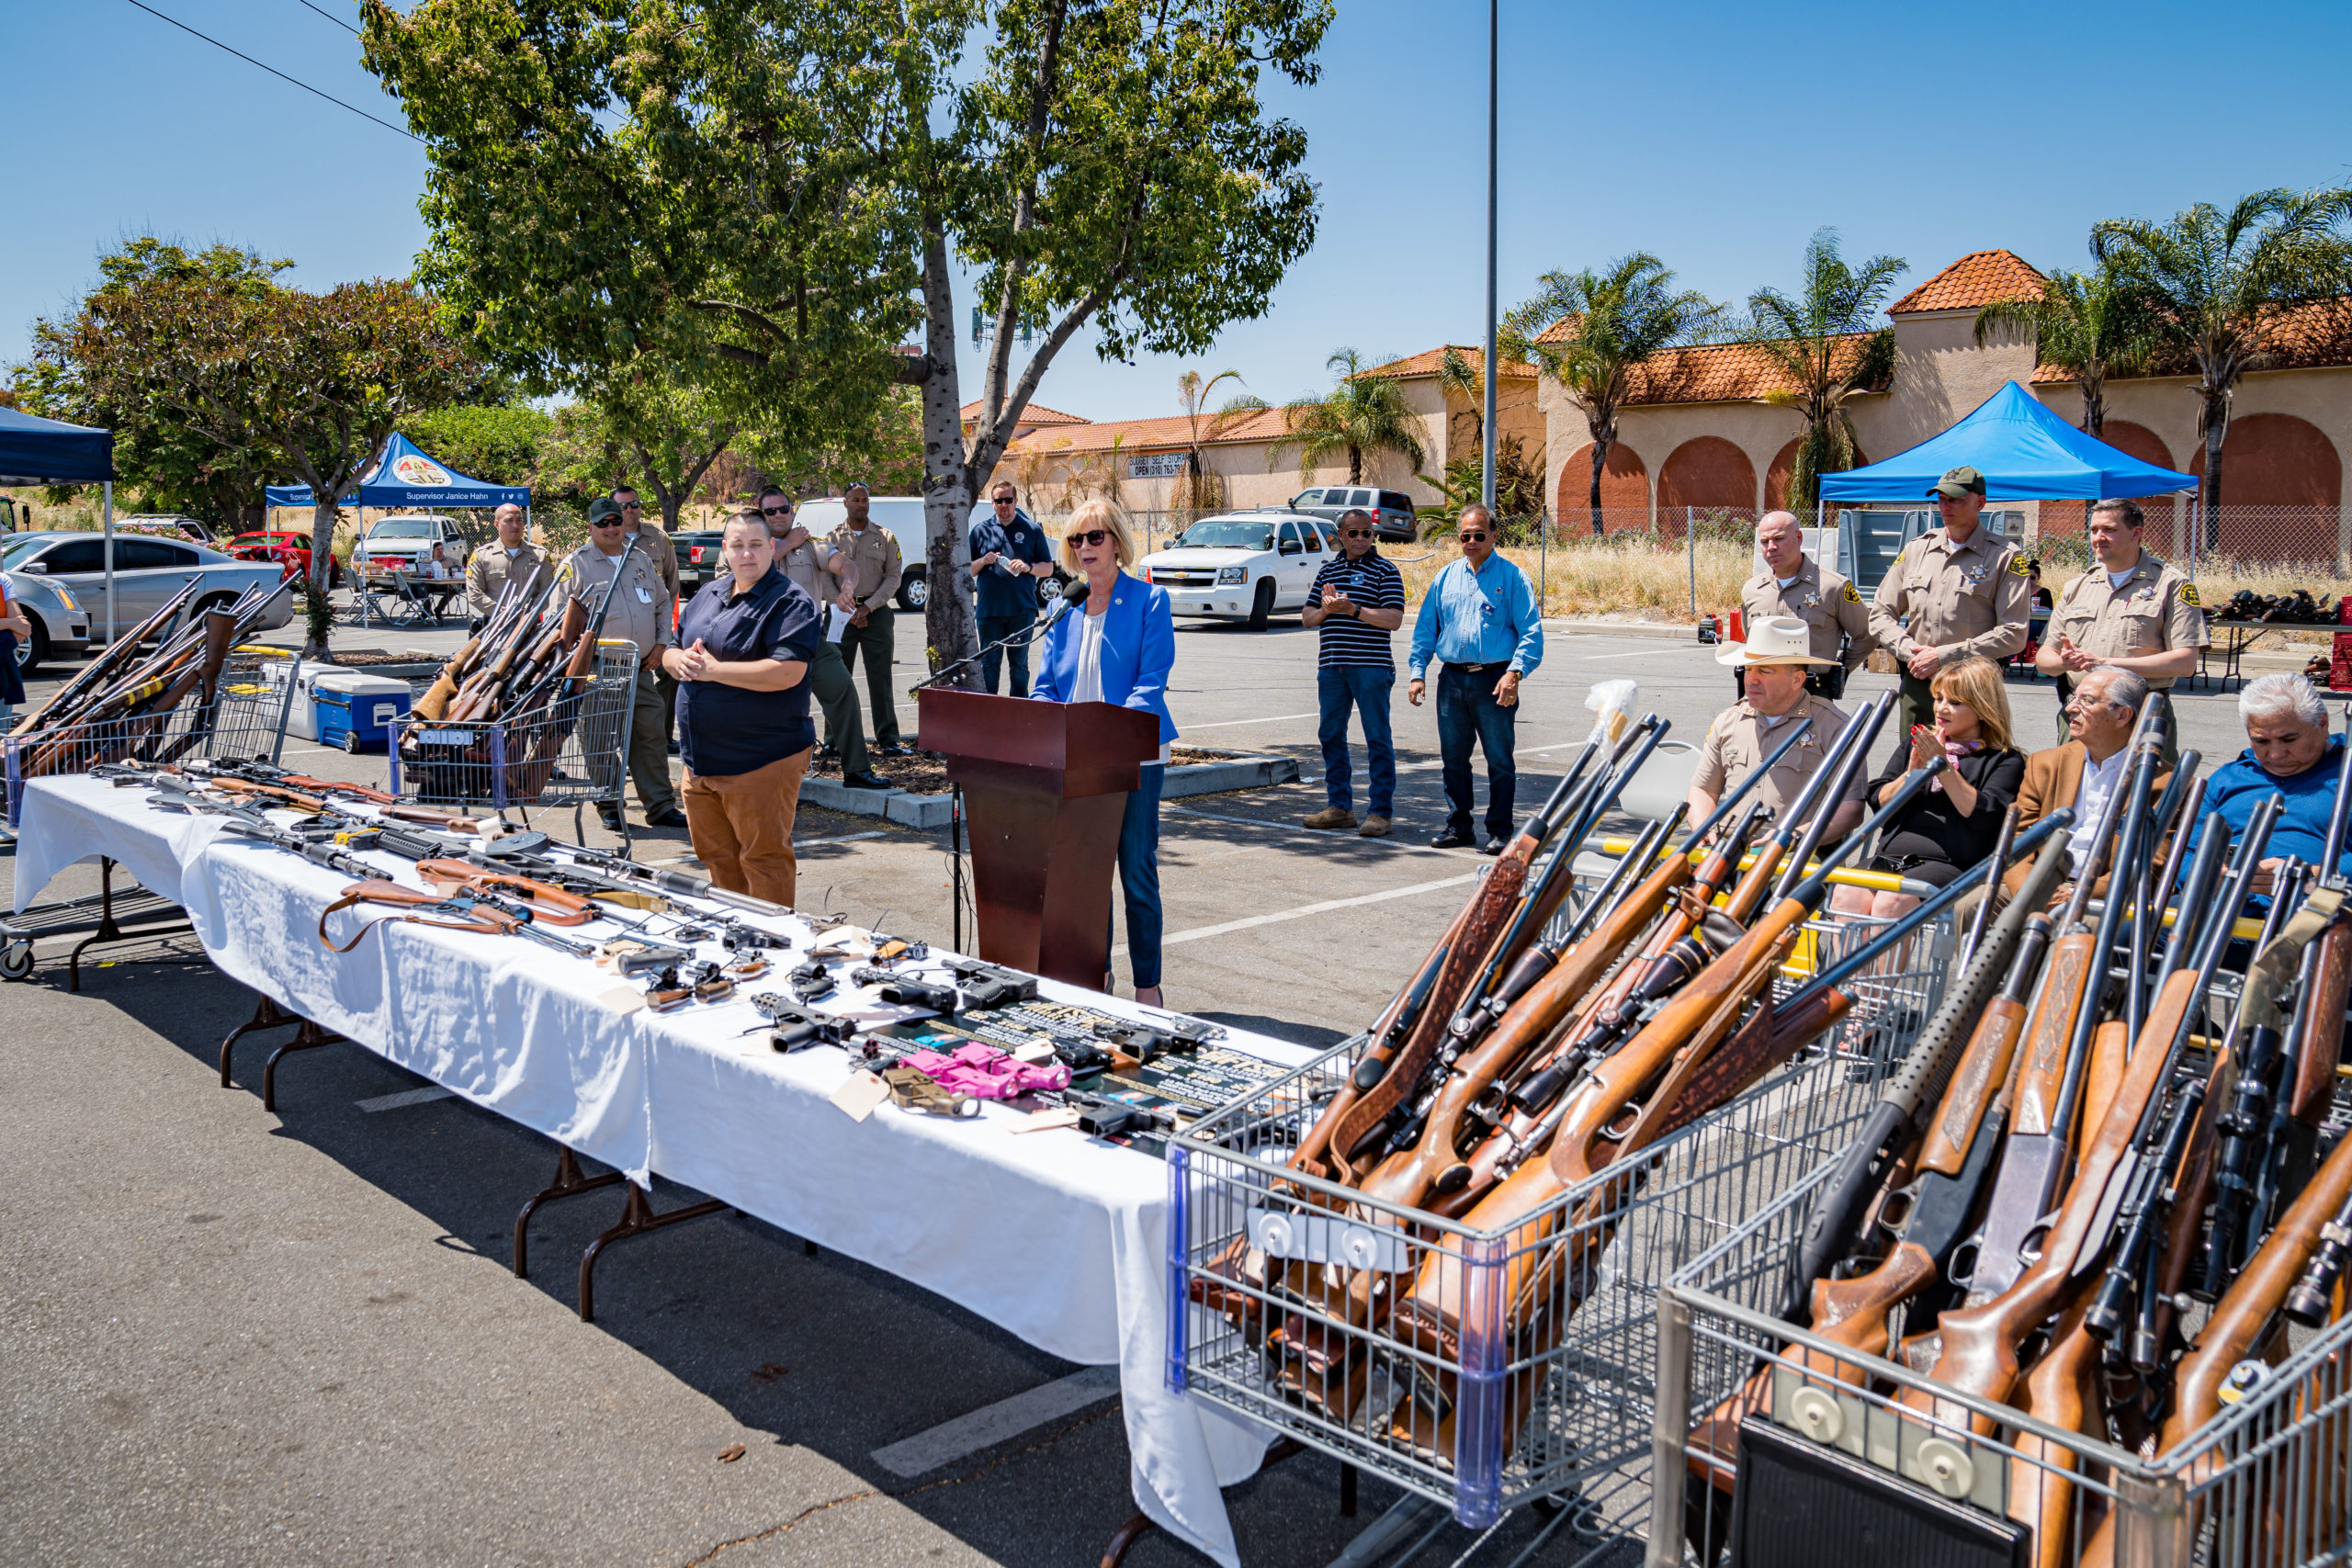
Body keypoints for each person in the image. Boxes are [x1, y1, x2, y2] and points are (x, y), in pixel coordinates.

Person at [1031, 500, 1176, 1006]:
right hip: (1077, 762)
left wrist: (1109, 733)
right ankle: (1098, 977)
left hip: (1134, 757)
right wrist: (1044, 720)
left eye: (1095, 537)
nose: (1085, 548)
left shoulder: (1149, 601)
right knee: (1088, 879)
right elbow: (1045, 686)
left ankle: (1148, 986)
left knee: (1135, 870)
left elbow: (1150, 681)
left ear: (1116, 542)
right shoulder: (1061, 607)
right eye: (1076, 540)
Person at [662, 510, 822, 903]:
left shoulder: (790, 602)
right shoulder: (707, 594)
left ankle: (773, 950)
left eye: (755, 545)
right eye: (737, 545)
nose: (746, 554)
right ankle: (735, 944)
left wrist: (714, 671)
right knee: (718, 859)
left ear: (771, 547)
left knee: (763, 861)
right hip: (700, 763)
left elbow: (787, 673)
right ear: (726, 550)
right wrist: (674, 661)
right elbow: (669, 647)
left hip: (760, 760)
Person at [1829, 656, 2024, 922]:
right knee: (1846, 893)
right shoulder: (1917, 743)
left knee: (1892, 899)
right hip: (1891, 856)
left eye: (1954, 703)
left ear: (1982, 708)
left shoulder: (2004, 759)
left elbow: (1983, 815)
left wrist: (1943, 768)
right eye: (1939, 698)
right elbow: (1879, 801)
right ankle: (1854, 966)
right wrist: (1913, 774)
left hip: (1954, 864)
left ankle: (1889, 967)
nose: (1941, 709)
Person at [1408, 504, 1544, 852]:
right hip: (1452, 680)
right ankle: (1459, 826)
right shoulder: (1445, 578)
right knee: (1453, 758)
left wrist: (1515, 673)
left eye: (1478, 535)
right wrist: (1417, 672)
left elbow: (1531, 633)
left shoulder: (1513, 578)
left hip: (1494, 679)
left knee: (1499, 758)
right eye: (1465, 536)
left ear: (1494, 535)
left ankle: (1500, 829)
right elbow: (1426, 629)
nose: (1471, 541)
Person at [2035, 498, 2208, 761]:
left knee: (2144, 798)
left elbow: (2185, 662)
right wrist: (2065, 662)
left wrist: (2106, 663)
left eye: (2109, 530)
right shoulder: (2077, 586)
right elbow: (2044, 659)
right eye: (2093, 530)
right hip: (2081, 713)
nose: (2098, 538)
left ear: (2136, 533)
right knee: (2071, 795)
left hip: (2141, 715)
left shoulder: (2171, 584)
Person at [1868, 465, 2033, 731]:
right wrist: (1912, 653)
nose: (1946, 506)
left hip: (1972, 685)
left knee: (1970, 766)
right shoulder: (1917, 549)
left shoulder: (2005, 557)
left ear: (1980, 503)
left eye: (1956, 500)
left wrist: (1944, 656)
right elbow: (1880, 614)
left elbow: (2014, 633)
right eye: (1942, 499)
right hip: (1919, 679)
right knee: (1913, 763)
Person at [564, 496, 684, 832]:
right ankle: (609, 804)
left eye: (615, 521)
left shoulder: (641, 559)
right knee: (600, 738)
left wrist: (662, 644)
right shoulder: (576, 564)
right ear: (590, 527)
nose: (611, 528)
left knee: (649, 737)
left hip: (640, 666)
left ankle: (660, 807)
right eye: (602, 523)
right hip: (597, 666)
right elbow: (561, 620)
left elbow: (662, 602)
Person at [1690, 615, 1867, 841]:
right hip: (1726, 844)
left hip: (1795, 853)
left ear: (1797, 679)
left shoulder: (1834, 727)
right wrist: (1703, 828)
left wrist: (1793, 837)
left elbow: (1850, 808)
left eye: (1764, 671)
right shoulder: (1729, 720)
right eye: (1748, 668)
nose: (1751, 679)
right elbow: (1703, 790)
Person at [760, 487, 888, 791]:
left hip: (809, 637)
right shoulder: (753, 547)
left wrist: (848, 586)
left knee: (843, 691)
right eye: (771, 511)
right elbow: (750, 573)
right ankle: (770, 777)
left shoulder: (811, 545)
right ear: (761, 513)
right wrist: (786, 544)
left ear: (792, 510)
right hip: (766, 644)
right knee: (772, 711)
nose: (779, 515)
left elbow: (846, 564)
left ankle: (856, 770)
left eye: (784, 508)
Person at [2007, 665, 2166, 905]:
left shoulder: (2162, 781)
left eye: (2087, 701)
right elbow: (2018, 840)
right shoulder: (2046, 763)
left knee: (2079, 930)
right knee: (1971, 904)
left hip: (2101, 899)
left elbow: (2152, 864)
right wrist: (2028, 891)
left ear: (2123, 715)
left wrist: (2077, 895)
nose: (2070, 708)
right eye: (2074, 698)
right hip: (2037, 884)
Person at [2201, 672, 2351, 907]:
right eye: (2261, 741)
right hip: (2220, 910)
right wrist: (2211, 877)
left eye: (2289, 740)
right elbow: (2185, 853)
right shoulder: (2226, 780)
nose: (2275, 754)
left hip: (2319, 916)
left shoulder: (2347, 772)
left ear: (2322, 723)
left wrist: (2311, 875)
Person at [1301, 508, 1406, 838]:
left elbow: (1393, 619)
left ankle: (1379, 812)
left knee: (1377, 738)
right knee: (1331, 735)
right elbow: (1306, 618)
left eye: (1367, 533)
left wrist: (1353, 610)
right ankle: (1340, 808)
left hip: (1371, 667)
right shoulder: (1327, 571)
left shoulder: (1385, 571)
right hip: (1332, 666)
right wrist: (1326, 610)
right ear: (1341, 535)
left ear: (1373, 535)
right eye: (1353, 533)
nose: (1361, 539)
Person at [1739, 510, 1871, 699]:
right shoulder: (1752, 589)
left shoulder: (1832, 587)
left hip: (1813, 695)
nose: (1771, 547)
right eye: (1764, 541)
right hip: (1764, 696)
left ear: (1799, 538)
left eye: (1779, 538)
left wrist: (1839, 668)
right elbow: (1750, 639)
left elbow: (1867, 634)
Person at [824, 482, 908, 756]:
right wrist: (845, 607)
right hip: (841, 614)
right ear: (845, 503)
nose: (861, 504)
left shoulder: (885, 537)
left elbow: (894, 577)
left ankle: (888, 739)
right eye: (856, 499)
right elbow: (824, 576)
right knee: (837, 678)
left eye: (865, 500)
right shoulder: (832, 538)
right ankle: (833, 741)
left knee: (880, 679)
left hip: (876, 613)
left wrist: (869, 607)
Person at [967, 479, 1056, 697]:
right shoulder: (980, 531)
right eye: (999, 501)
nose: (1004, 505)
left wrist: (1028, 567)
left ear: (1016, 501)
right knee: (989, 665)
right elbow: (966, 570)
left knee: (1019, 667)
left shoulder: (1032, 530)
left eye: (1008, 500)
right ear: (992, 503)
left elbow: (1048, 568)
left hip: (1021, 610)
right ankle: (989, 716)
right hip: (989, 612)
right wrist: (983, 561)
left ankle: (1019, 717)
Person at [615, 485, 683, 753]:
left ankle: (662, 737)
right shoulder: (609, 537)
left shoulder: (658, 537)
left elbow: (672, 583)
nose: (630, 510)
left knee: (670, 673)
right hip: (625, 629)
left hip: (658, 624)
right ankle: (626, 743)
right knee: (624, 685)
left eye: (635, 504)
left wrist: (664, 633)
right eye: (624, 506)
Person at [465, 502, 551, 626]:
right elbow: (474, 593)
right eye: (509, 521)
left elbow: (549, 590)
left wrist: (527, 610)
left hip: (529, 624)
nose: (515, 525)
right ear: (496, 524)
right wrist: (498, 611)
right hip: (494, 625)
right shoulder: (481, 556)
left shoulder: (540, 555)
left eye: (519, 520)